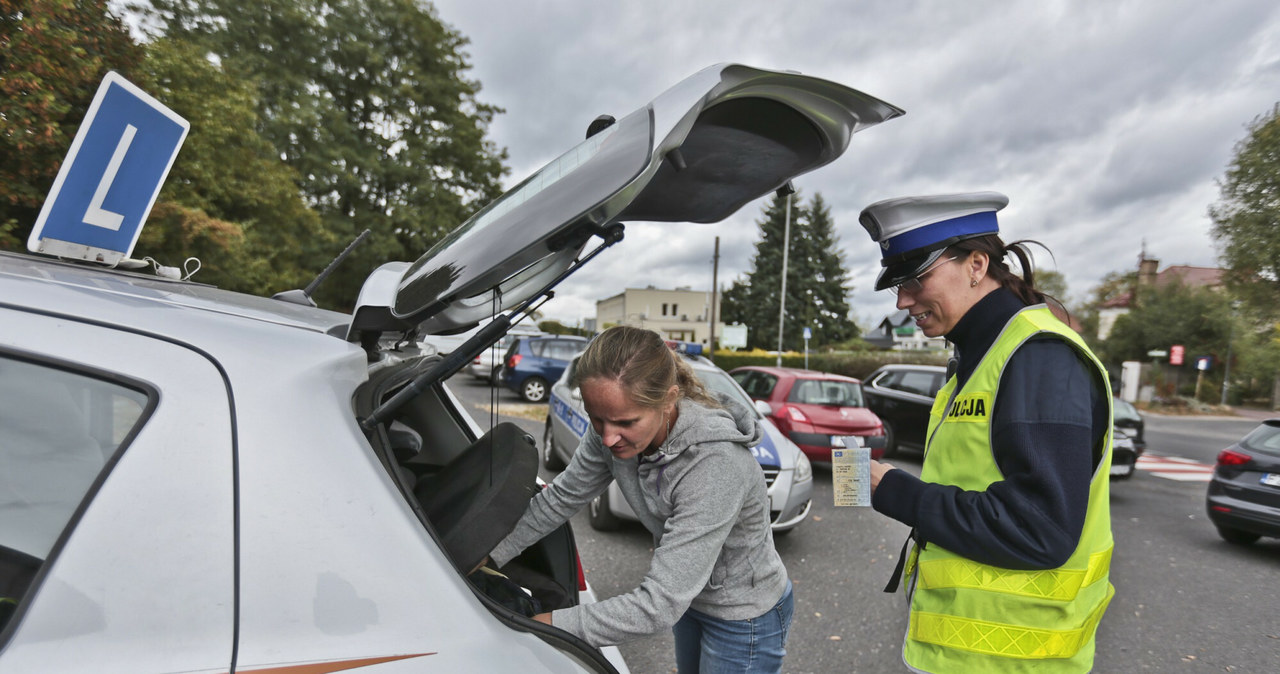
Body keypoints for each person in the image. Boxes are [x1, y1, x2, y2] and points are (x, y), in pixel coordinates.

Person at [859, 192, 1115, 673]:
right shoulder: (979, 357)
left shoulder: (1039, 358)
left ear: (977, 264)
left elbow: (1040, 530)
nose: (902, 300)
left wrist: (894, 491)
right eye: (897, 284)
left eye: (916, 278)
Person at [487, 325, 793, 673]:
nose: (607, 438)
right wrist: (485, 557)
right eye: (595, 418)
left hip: (744, 616)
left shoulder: (715, 465)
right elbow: (559, 499)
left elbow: (658, 605)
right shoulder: (611, 426)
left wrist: (544, 623)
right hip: (690, 597)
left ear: (668, 400)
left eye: (624, 422)